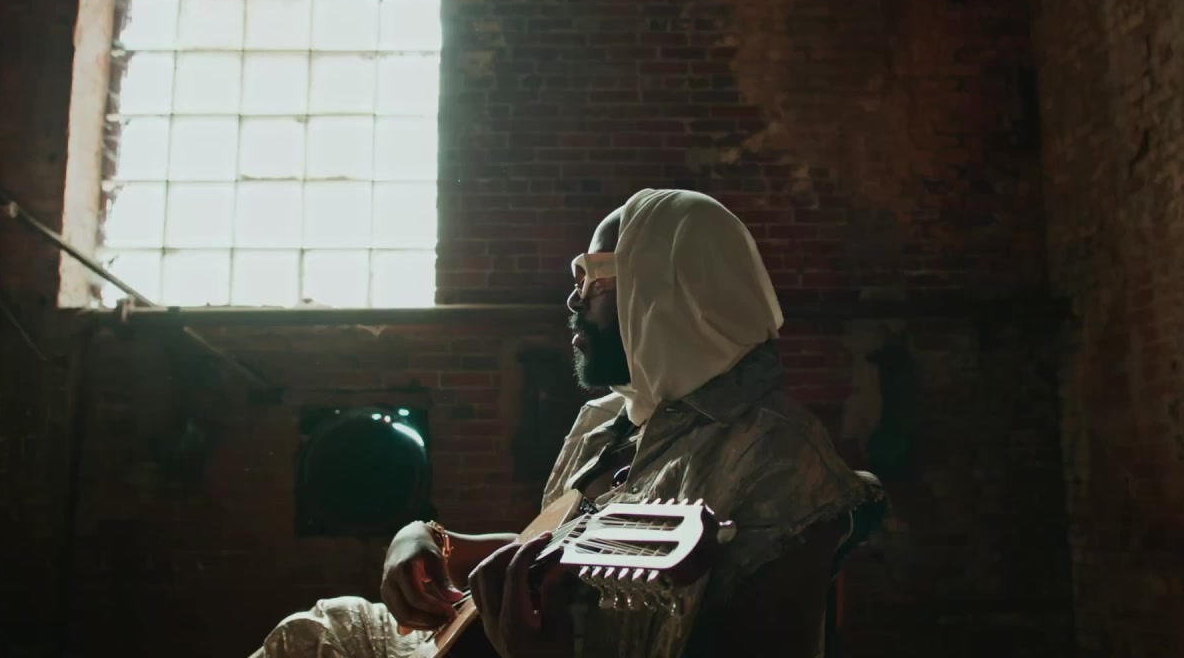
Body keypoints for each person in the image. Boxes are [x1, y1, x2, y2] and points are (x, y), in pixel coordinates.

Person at [252, 189, 885, 657]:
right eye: (575, 278)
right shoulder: (608, 418)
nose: (573, 299)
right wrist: (429, 538)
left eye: (596, 278)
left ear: (672, 292)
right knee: (314, 634)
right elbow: (563, 551)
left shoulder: (781, 459)